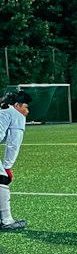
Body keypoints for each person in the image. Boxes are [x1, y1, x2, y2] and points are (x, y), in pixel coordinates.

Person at [0, 89, 32, 231]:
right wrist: (7, 166)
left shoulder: (3, 110)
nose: (27, 111)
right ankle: (7, 221)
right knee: (2, 180)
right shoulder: (15, 114)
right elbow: (14, 143)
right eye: (26, 106)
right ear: (17, 105)